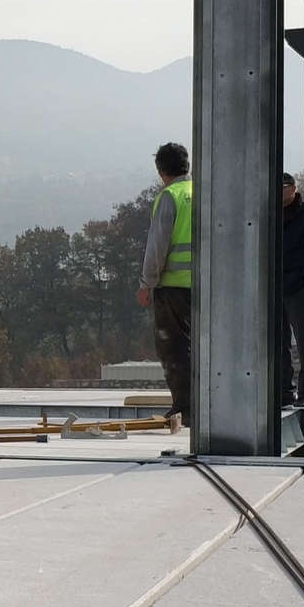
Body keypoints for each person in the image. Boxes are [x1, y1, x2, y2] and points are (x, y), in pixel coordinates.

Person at [136, 142, 193, 427]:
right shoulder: (203, 193)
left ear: (161, 171)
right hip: (207, 286)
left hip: (173, 287)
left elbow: (157, 245)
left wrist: (147, 283)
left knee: (174, 348)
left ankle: (185, 408)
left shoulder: (170, 197)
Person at [279, 173, 304, 405]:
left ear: (293, 189)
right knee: (279, 345)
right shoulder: (268, 215)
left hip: (299, 287)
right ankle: (284, 392)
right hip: (275, 288)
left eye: (284, 186)